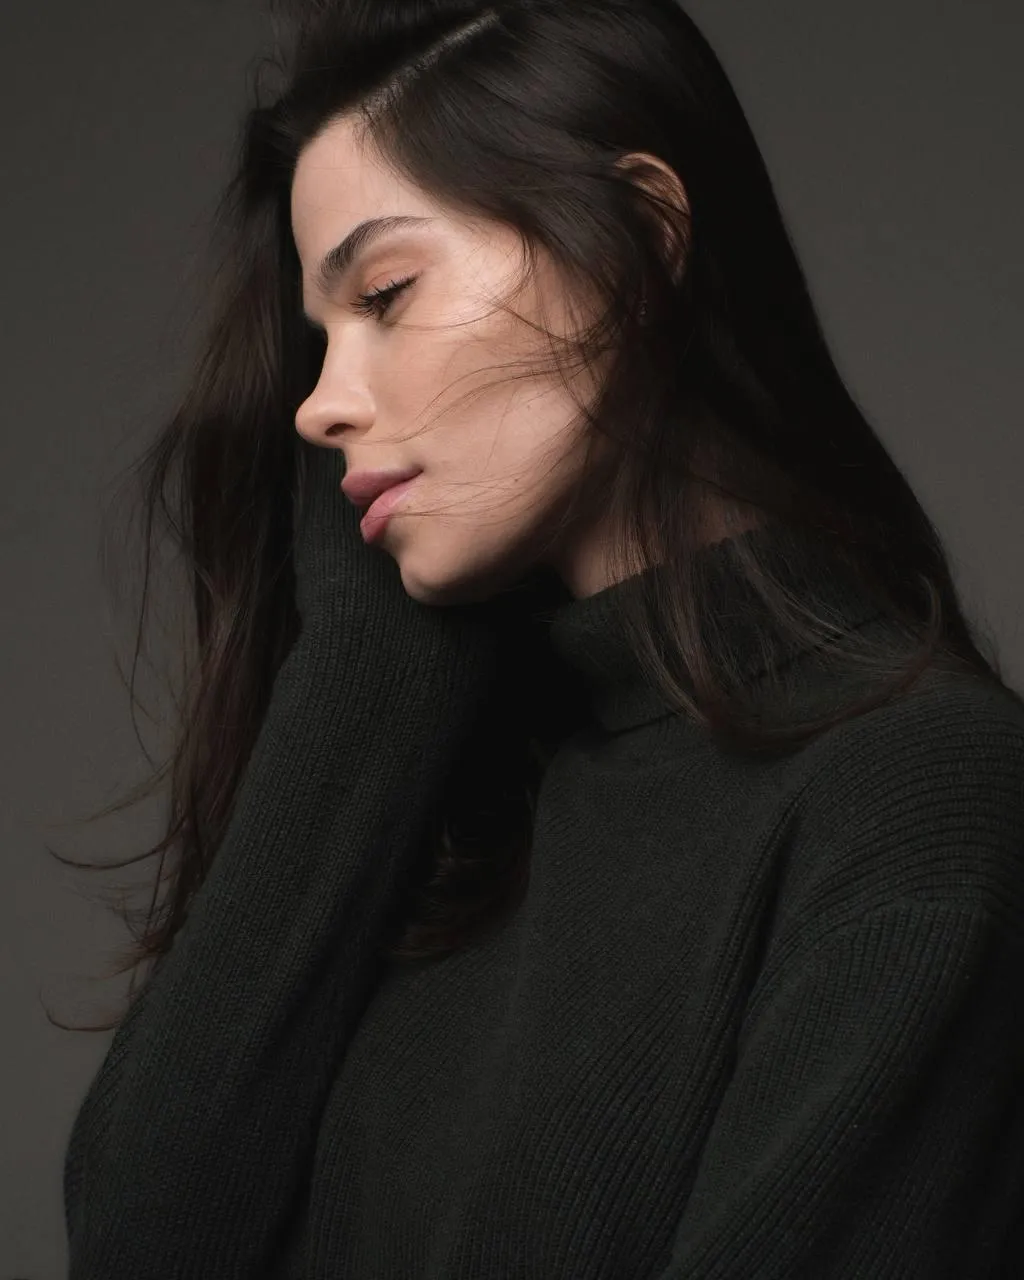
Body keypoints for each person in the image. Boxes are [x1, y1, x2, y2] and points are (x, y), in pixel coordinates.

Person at [61, 1, 1024, 1276]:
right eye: (319, 334)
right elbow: (139, 1243)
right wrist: (370, 663)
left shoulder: (920, 799)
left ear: (637, 237)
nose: (319, 403)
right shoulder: (448, 814)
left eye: (387, 293)